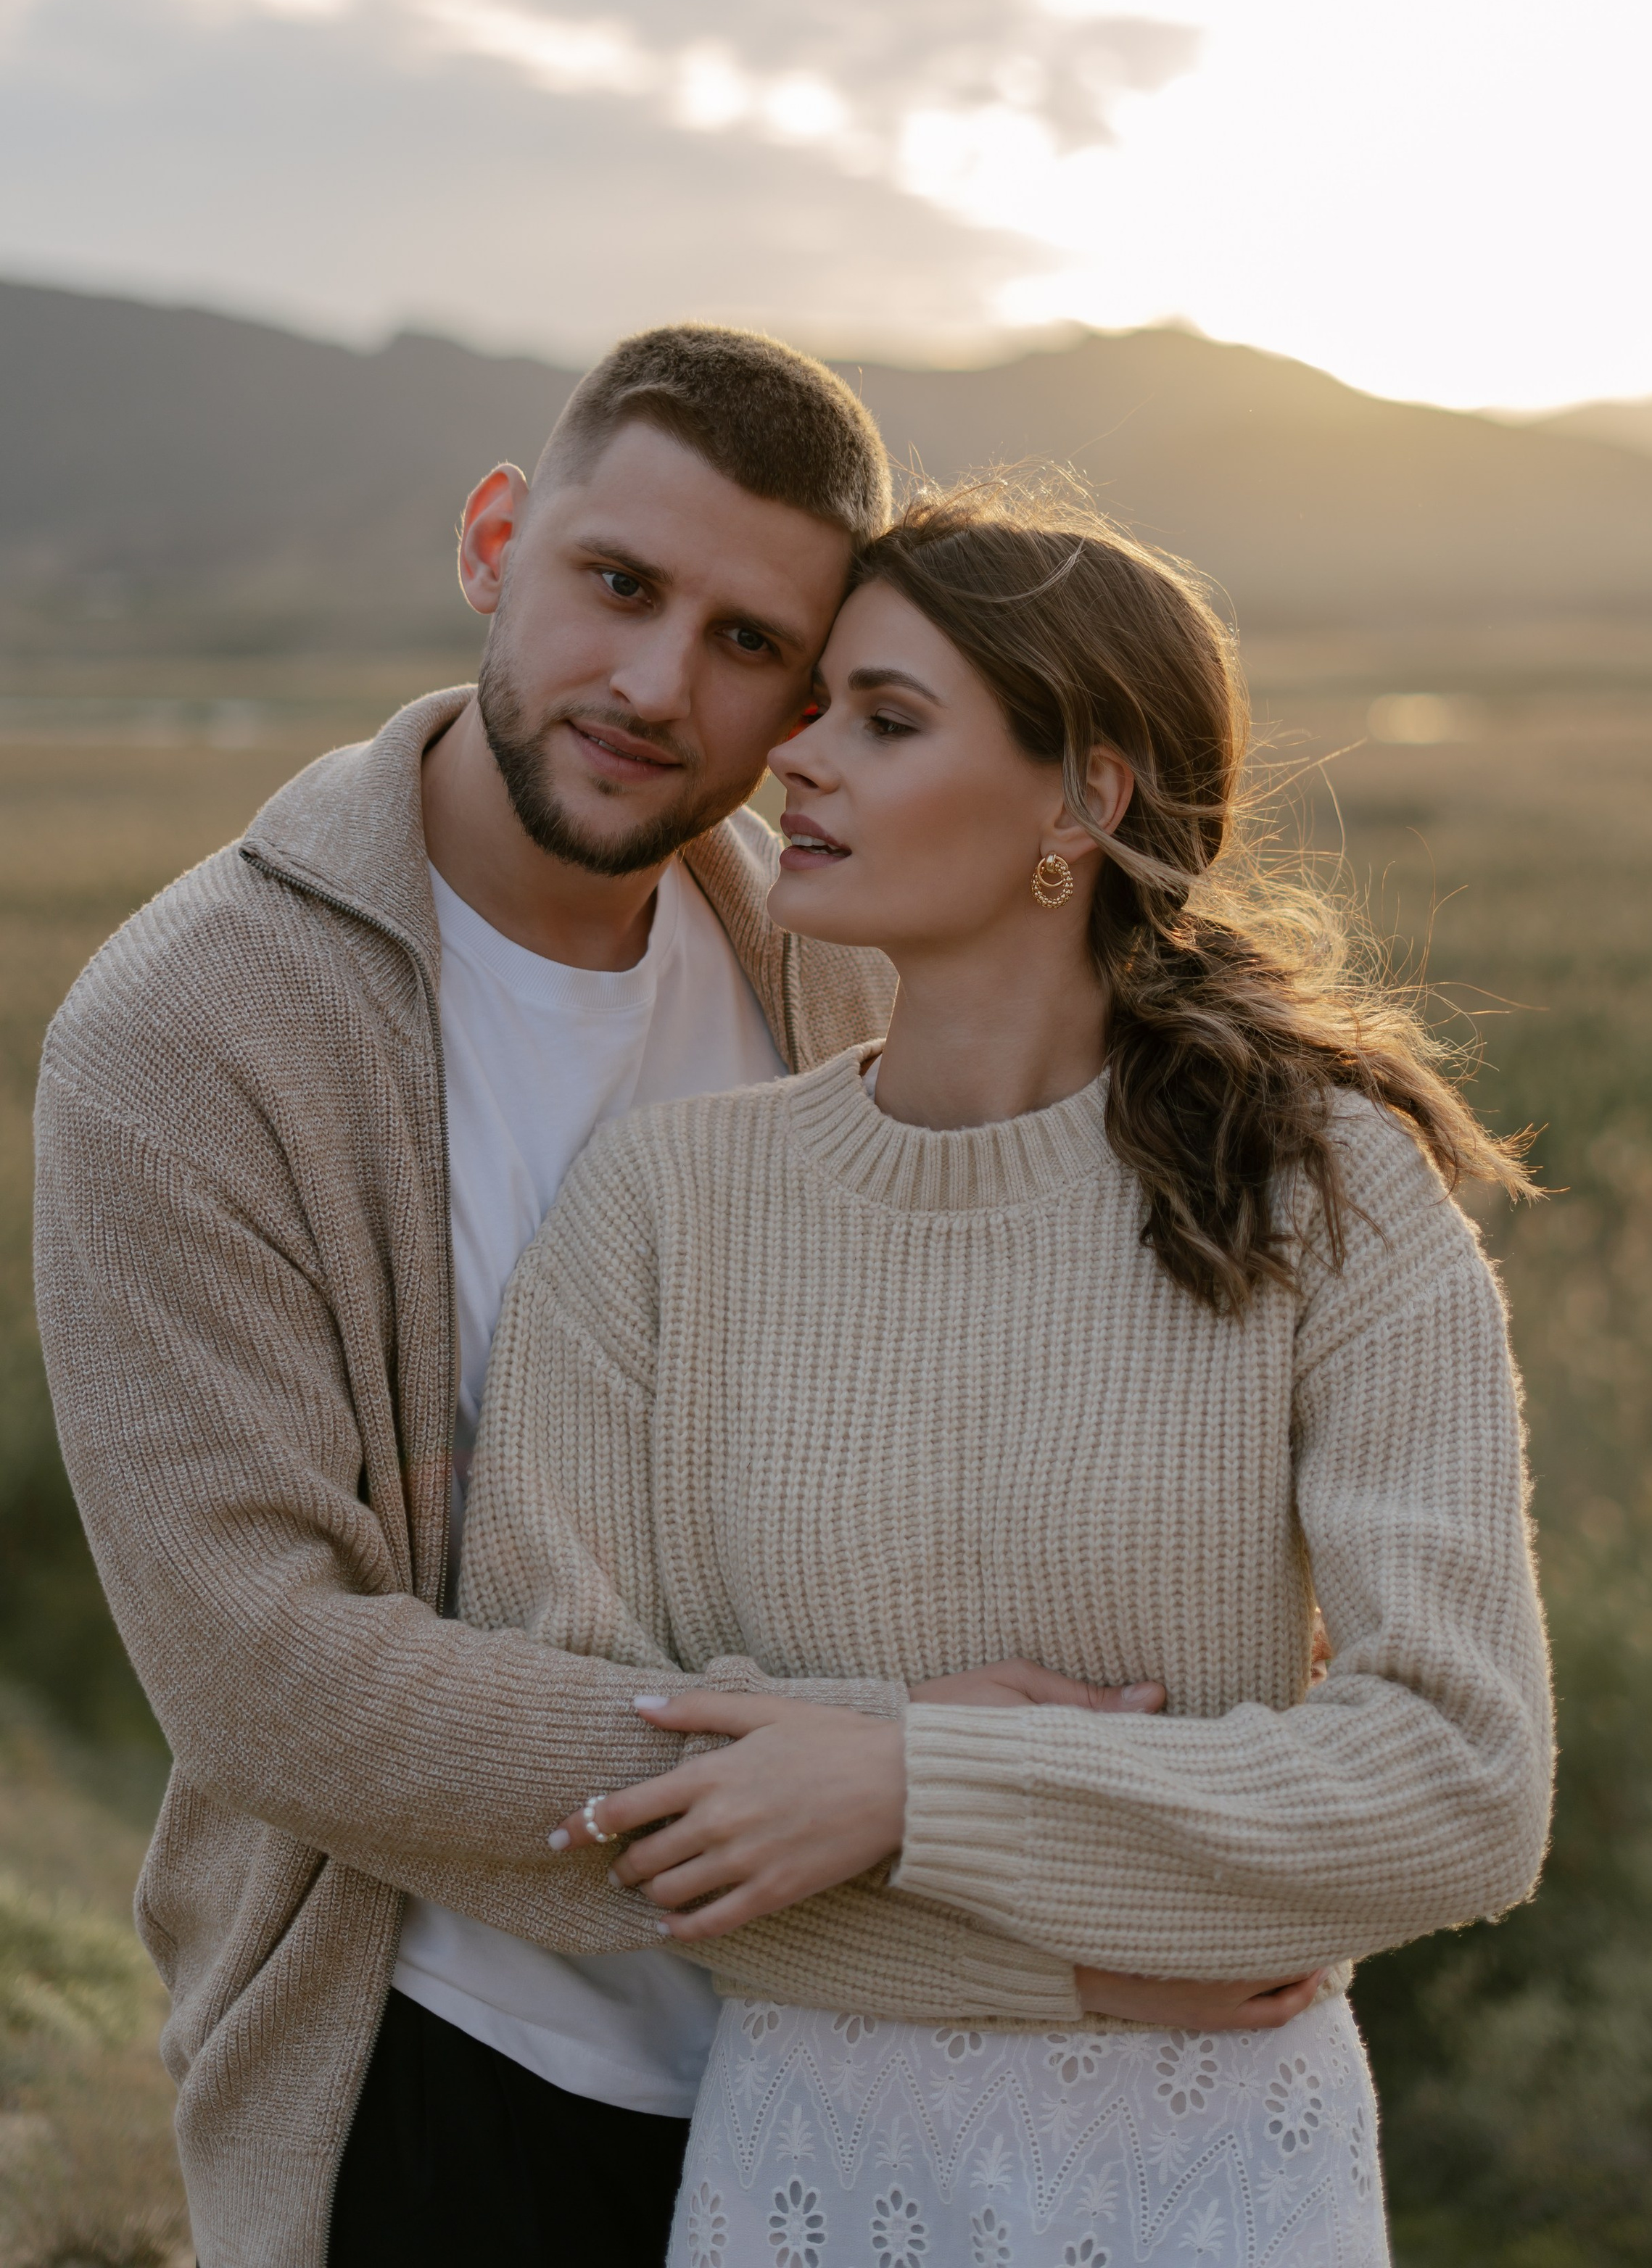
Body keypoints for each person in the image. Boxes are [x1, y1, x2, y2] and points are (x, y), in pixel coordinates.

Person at [33, 332, 1318, 2268]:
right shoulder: (186, 1036)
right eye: (617, 587)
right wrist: (887, 1790)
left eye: (746, 644)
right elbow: (270, 1680)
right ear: (495, 544)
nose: (654, 686)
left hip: (861, 2068)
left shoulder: (844, 965)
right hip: (452, 2078)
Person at [459, 481, 1556, 2267]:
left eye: (881, 721)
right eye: (809, 704)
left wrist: (896, 1783)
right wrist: (1086, 1947)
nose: (793, 760)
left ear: (1082, 797)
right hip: (807, 2165)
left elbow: (1458, 1785)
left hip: (1211, 2180)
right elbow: (573, 1786)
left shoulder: (1325, 1188)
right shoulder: (667, 1205)